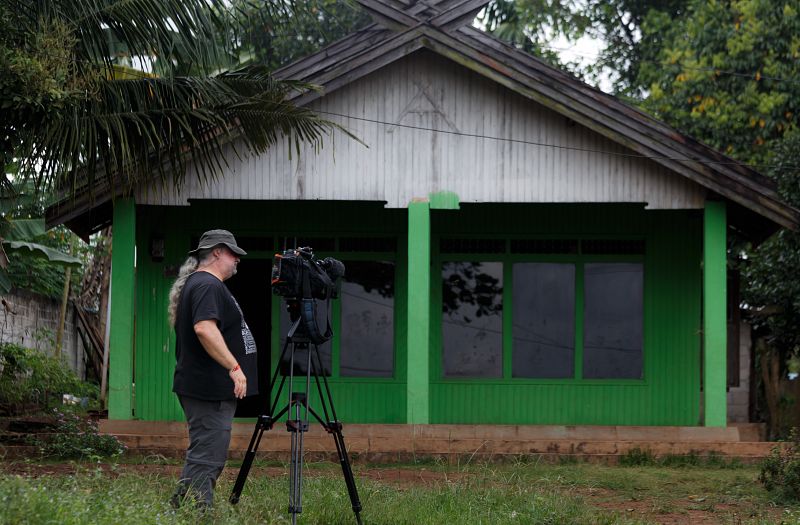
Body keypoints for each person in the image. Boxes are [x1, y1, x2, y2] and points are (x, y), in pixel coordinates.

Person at [167, 229, 258, 509]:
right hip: (208, 389)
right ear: (217, 251)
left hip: (207, 388)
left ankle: (177, 509)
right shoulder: (207, 284)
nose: (238, 260)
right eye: (234, 254)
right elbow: (204, 328)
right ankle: (200, 513)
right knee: (208, 456)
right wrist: (234, 367)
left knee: (204, 453)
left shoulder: (204, 283)